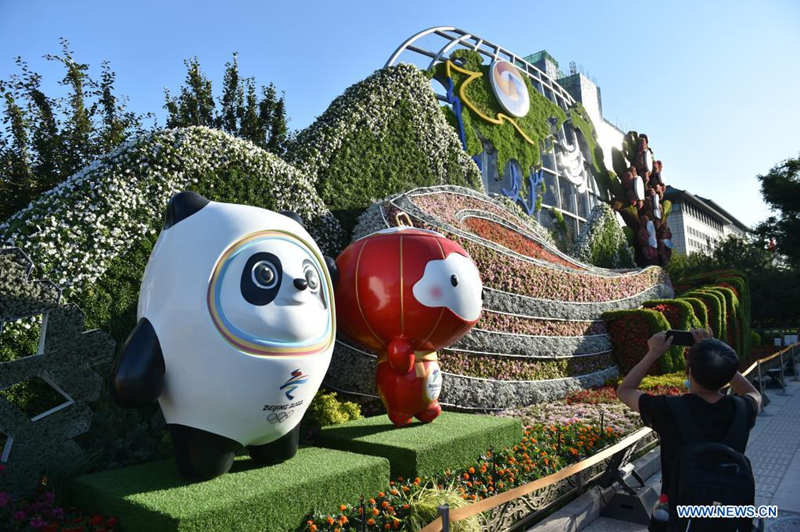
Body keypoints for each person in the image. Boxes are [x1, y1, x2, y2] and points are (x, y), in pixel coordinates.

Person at [617, 329, 761, 532]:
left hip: (678, 511)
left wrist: (654, 353)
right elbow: (753, 392)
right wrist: (718, 356)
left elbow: (625, 390)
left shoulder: (668, 408)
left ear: (688, 370)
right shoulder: (742, 408)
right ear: (728, 375)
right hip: (726, 511)